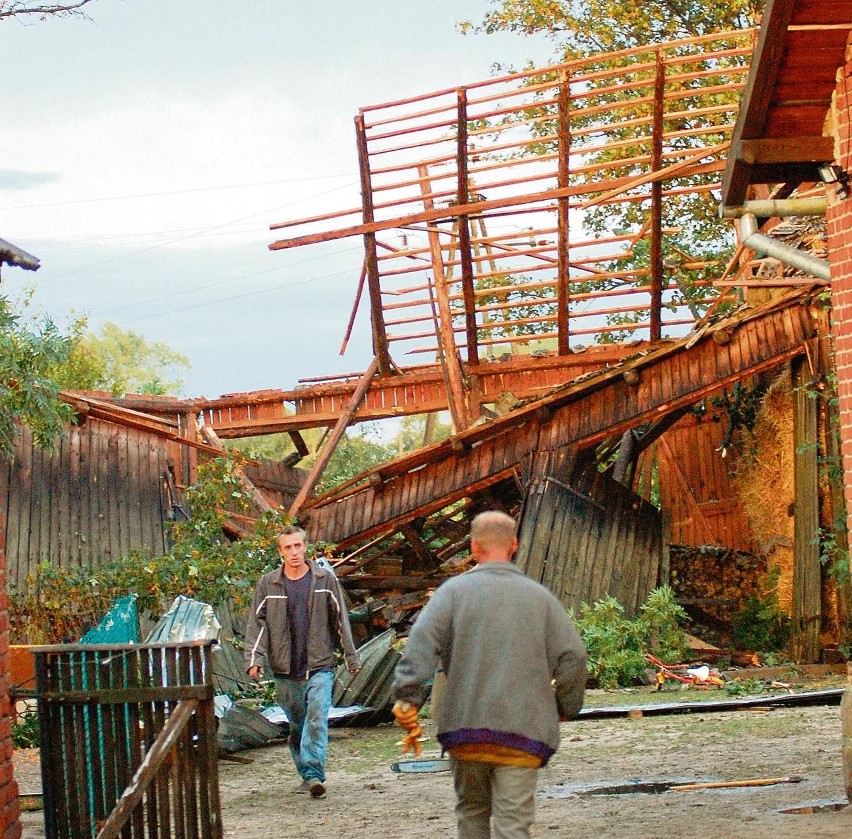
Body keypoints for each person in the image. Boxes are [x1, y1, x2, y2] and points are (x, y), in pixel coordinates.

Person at [392, 510, 587, 838]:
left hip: (466, 729)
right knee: (513, 824)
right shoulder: (540, 598)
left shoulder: (451, 593)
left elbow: (420, 643)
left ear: (473, 547)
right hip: (523, 732)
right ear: (514, 544)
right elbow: (574, 656)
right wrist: (565, 706)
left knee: (472, 811)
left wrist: (408, 694)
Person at [245, 525, 360, 799]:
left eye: (298, 546)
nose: (294, 552)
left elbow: (339, 620)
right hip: (285, 668)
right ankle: (305, 772)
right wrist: (254, 659)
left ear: (305, 547)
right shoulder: (268, 584)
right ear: (280, 552)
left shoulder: (324, 580)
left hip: (319, 664)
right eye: (288, 547)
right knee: (297, 724)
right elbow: (257, 625)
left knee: (317, 718)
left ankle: (313, 775)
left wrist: (350, 656)